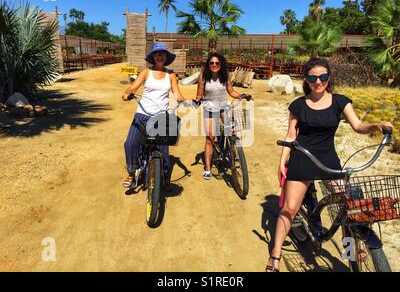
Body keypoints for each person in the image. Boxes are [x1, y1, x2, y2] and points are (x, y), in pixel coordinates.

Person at [266, 58, 394, 272]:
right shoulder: (298, 104)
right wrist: (282, 160)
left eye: (323, 77)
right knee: (289, 208)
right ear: (306, 79)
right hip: (303, 158)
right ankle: (275, 256)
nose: (318, 82)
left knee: (347, 206)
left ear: (329, 78)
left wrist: (378, 125)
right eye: (313, 77)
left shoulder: (340, 101)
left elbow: (358, 126)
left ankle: (350, 252)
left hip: (328, 159)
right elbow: (290, 136)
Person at [122, 42, 186, 188]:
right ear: (153, 57)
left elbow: (176, 93)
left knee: (163, 148)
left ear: (166, 57)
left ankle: (164, 176)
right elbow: (133, 87)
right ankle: (131, 173)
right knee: (130, 143)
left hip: (161, 116)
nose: (160, 56)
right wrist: (127, 93)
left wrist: (181, 99)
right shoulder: (146, 72)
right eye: (157, 54)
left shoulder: (171, 75)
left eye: (162, 54)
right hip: (142, 114)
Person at [193, 52, 252, 180]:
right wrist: (197, 100)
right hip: (209, 109)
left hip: (224, 107)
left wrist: (242, 95)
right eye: (211, 63)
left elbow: (231, 92)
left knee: (231, 131)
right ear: (208, 64)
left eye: (217, 63)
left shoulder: (225, 77)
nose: (214, 65)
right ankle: (207, 168)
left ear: (221, 64)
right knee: (210, 138)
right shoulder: (203, 77)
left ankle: (234, 153)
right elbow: (199, 94)